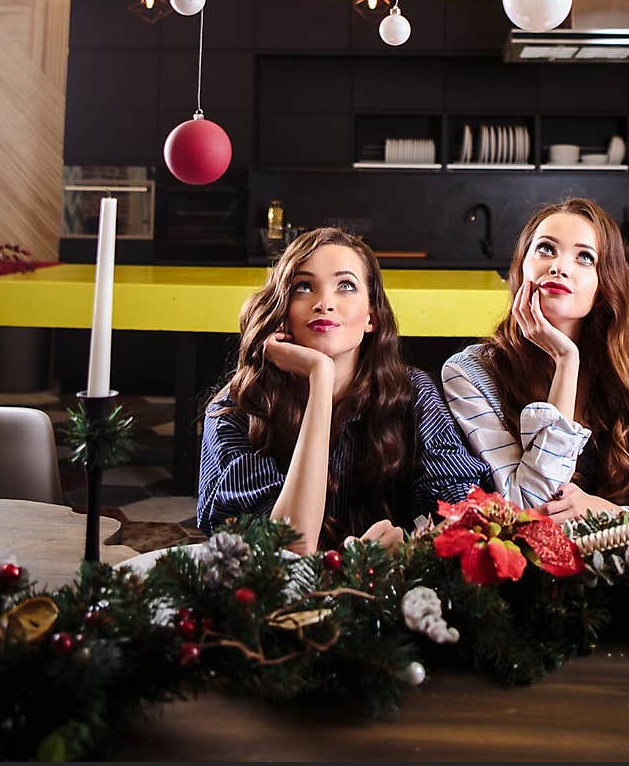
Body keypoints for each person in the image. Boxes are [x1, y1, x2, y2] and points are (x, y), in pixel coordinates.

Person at [198, 227, 491, 551]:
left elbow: (464, 509)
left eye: (346, 286)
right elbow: (284, 551)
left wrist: (411, 543)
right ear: (282, 310)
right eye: (304, 287)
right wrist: (319, 378)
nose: (324, 303)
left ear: (372, 318)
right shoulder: (238, 408)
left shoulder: (412, 393)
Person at [441, 197, 629, 523]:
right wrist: (566, 359)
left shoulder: (623, 372)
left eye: (584, 257)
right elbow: (530, 513)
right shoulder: (469, 373)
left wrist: (611, 514)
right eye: (546, 249)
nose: (559, 266)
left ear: (604, 285)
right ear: (519, 269)